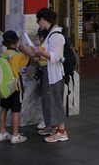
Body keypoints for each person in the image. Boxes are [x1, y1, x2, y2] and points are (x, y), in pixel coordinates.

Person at [33, 8, 69, 142]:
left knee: (55, 100)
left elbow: (56, 56)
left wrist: (40, 53)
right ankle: (53, 126)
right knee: (48, 100)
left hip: (54, 73)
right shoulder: (50, 34)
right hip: (48, 71)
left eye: (38, 21)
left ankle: (61, 130)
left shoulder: (56, 35)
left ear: (42, 20)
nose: (39, 24)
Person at [0, 30, 32, 145]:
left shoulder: (3, 55)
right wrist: (24, 50)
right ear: (16, 41)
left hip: (4, 86)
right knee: (15, 111)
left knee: (4, 108)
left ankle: (2, 133)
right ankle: (15, 135)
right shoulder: (18, 56)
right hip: (15, 87)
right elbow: (30, 60)